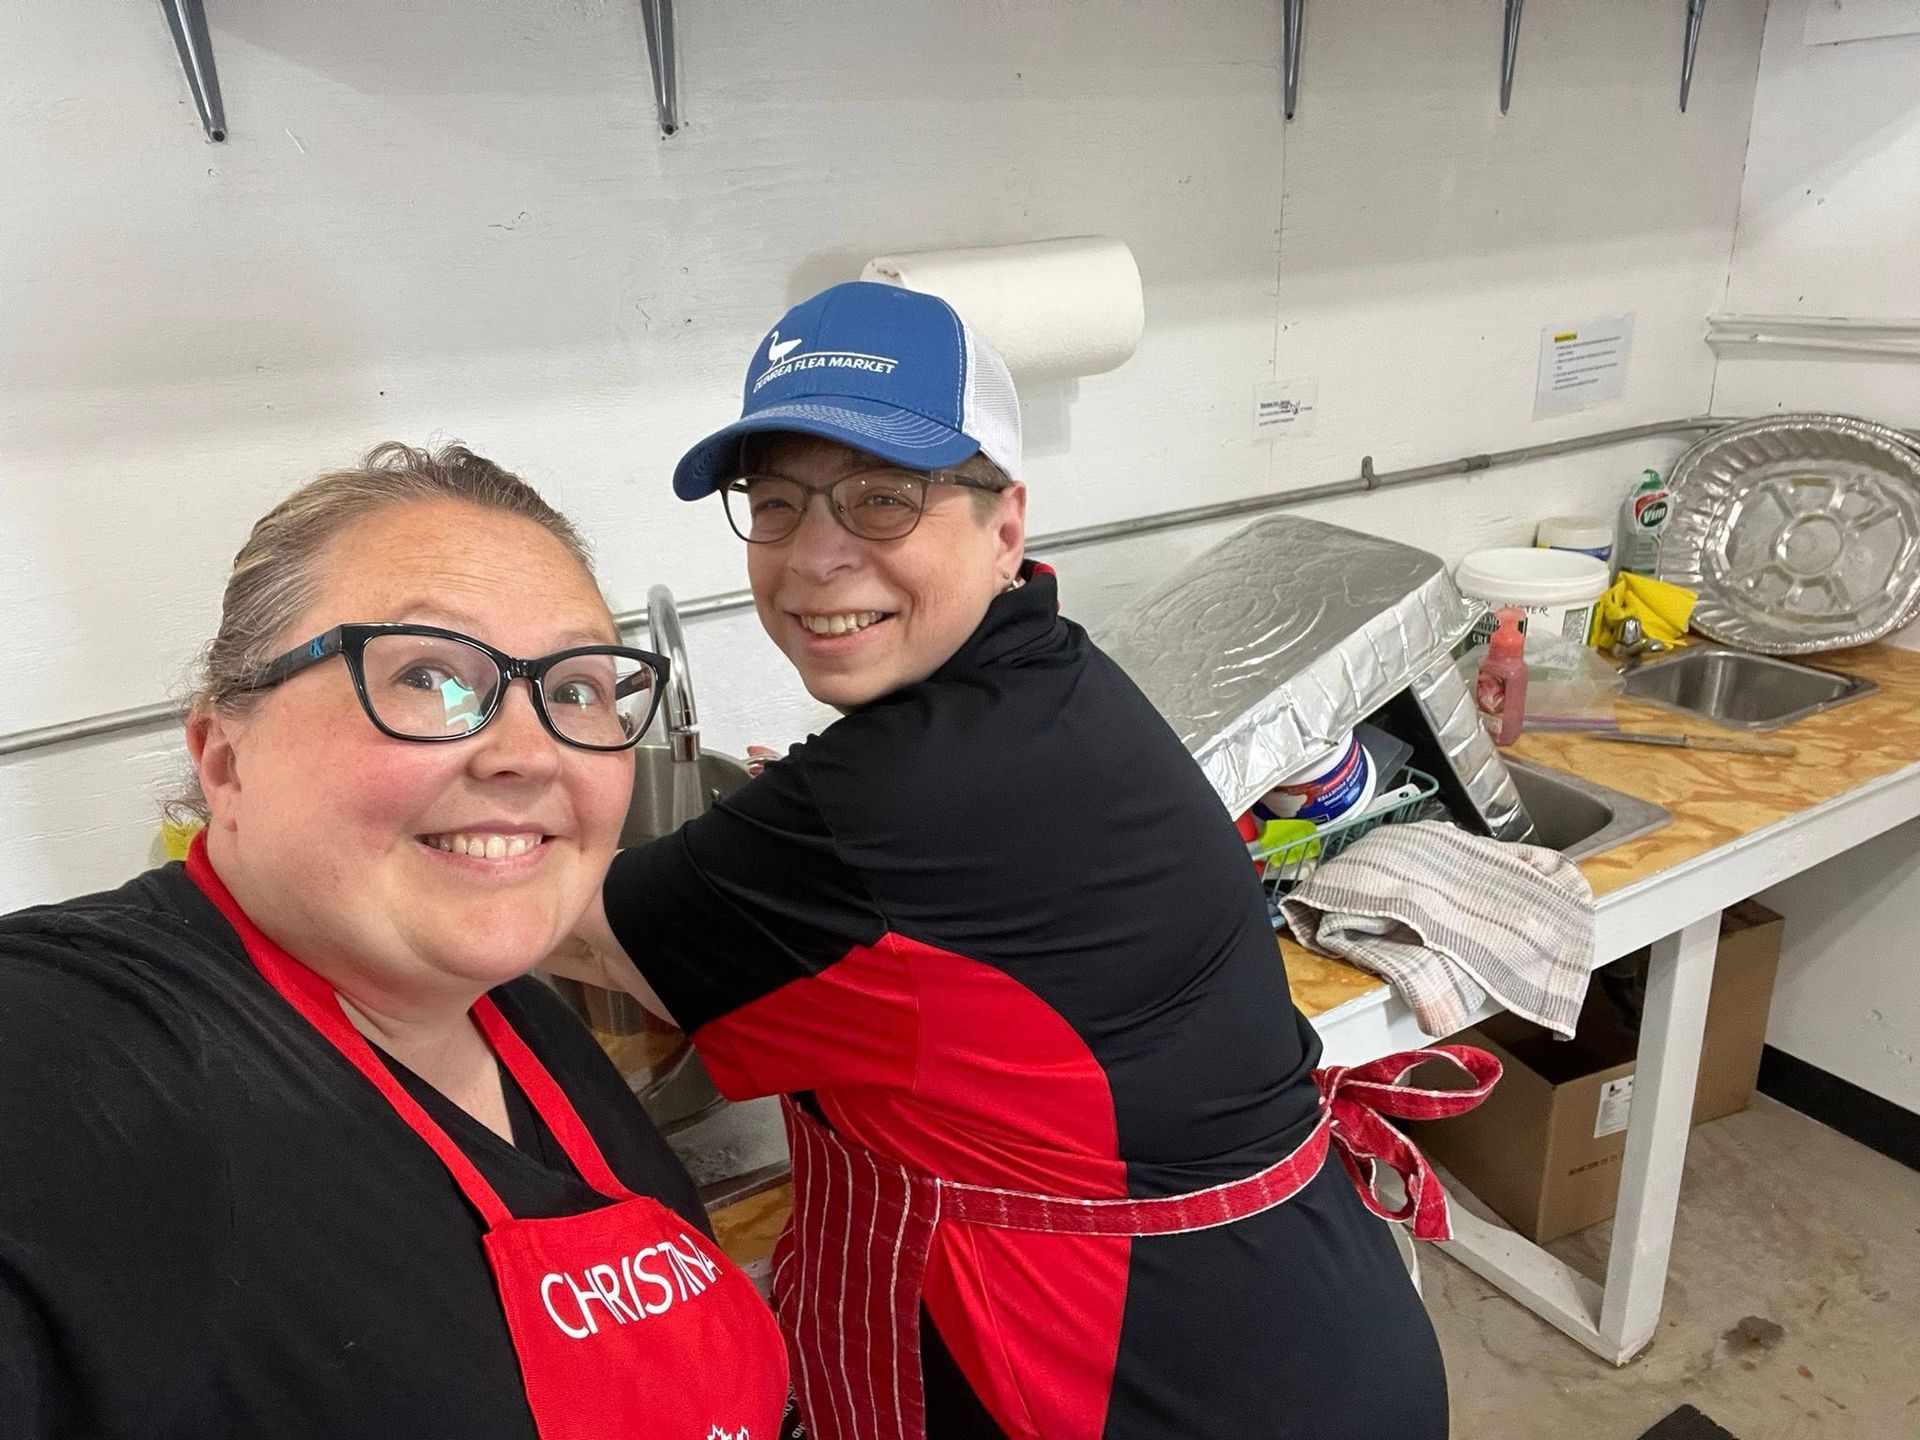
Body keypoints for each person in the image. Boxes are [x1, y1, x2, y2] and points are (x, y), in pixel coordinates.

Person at [568, 282, 1495, 1440]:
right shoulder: (1046, 676)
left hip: (1158, 1389)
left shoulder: (892, 793)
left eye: (881, 500)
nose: (813, 557)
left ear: (1004, 525)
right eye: (775, 505)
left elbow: (574, 931)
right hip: (1309, 1325)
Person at [0, 444, 792, 1439]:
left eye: (577, 688)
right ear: (224, 758)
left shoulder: (512, 1014)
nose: (529, 753)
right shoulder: (79, 1052)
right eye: (427, 675)